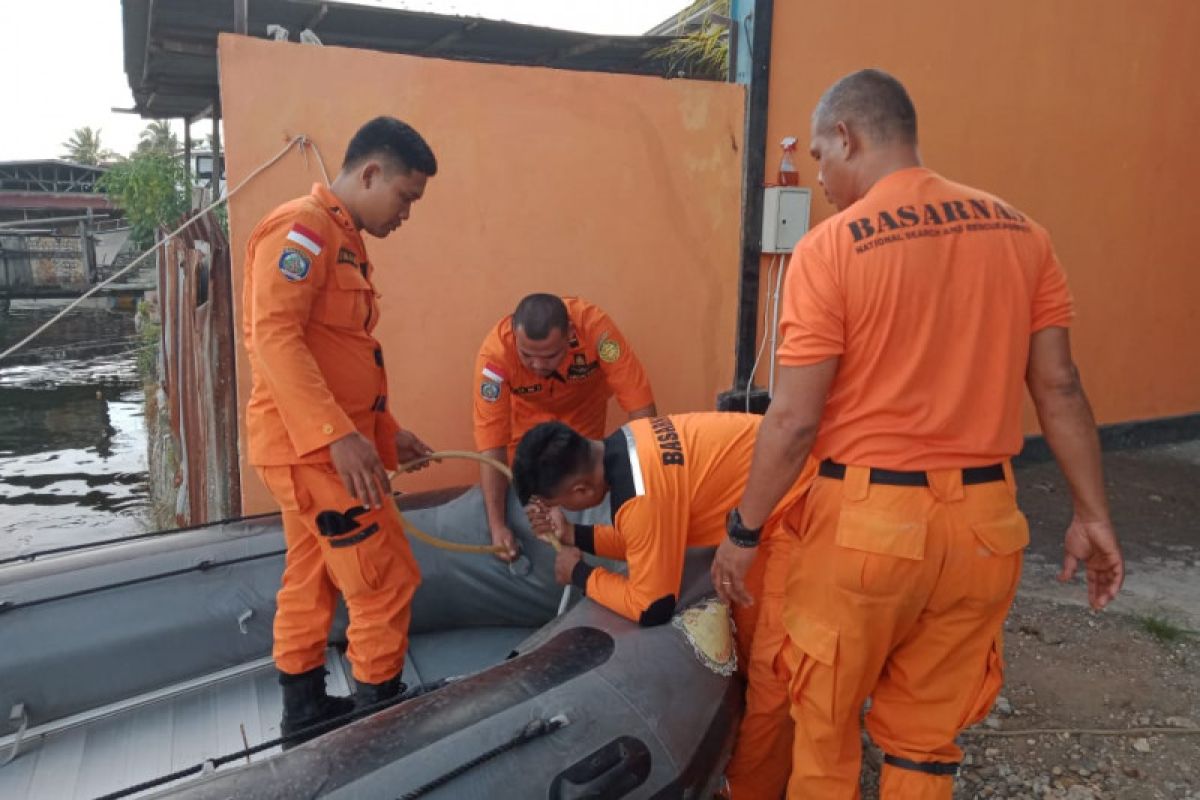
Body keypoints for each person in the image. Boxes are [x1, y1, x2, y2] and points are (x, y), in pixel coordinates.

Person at [710, 69, 1125, 798]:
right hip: (986, 531)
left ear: (849, 135)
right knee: (925, 743)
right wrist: (1092, 516)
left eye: (819, 154)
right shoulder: (1023, 233)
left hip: (866, 531)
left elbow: (795, 417)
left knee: (826, 726)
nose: (821, 174)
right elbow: (1059, 386)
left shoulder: (830, 248)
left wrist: (744, 533)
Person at [242, 116, 440, 745]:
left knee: (312, 573)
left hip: (317, 448)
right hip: (315, 453)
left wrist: (387, 435)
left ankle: (304, 715)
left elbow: (345, 357)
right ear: (371, 172)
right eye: (405, 198)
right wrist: (336, 436)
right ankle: (377, 722)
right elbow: (274, 337)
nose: (407, 214)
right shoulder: (302, 230)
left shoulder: (344, 242)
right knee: (384, 577)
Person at [514, 412, 817, 800]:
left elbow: (652, 606)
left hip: (798, 511)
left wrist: (580, 574)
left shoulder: (639, 493)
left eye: (565, 507)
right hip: (773, 509)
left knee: (774, 672)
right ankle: (771, 760)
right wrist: (574, 534)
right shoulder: (628, 445)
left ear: (580, 490)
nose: (568, 512)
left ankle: (749, 790)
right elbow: (649, 538)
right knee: (748, 640)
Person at [473, 293, 656, 561]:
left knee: (583, 488)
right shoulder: (495, 356)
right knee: (535, 494)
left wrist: (649, 486)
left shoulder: (595, 330)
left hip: (583, 421)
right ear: (514, 334)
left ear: (570, 334)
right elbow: (492, 445)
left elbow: (640, 409)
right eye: (526, 355)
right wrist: (497, 526)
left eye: (549, 356)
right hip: (526, 428)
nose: (537, 365)